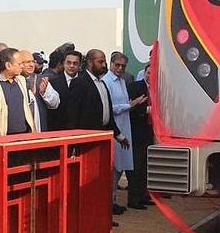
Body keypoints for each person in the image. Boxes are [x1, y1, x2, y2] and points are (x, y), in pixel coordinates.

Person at [66, 49, 129, 223]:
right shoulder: (80, 83)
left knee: (101, 183)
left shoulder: (101, 84)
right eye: (100, 62)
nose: (103, 65)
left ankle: (101, 218)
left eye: (103, 61)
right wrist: (74, 144)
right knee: (88, 184)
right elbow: (72, 115)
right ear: (90, 62)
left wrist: (119, 135)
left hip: (103, 140)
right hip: (87, 142)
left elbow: (106, 113)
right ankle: (88, 220)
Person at [103, 52, 147, 211]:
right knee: (113, 168)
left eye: (123, 66)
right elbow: (109, 108)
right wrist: (130, 105)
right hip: (114, 130)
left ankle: (113, 201)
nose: (120, 68)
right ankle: (109, 202)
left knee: (119, 168)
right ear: (111, 64)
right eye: (117, 65)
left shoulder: (122, 81)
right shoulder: (106, 81)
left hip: (124, 128)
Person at [127, 63, 155, 209]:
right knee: (136, 166)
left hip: (151, 131)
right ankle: (133, 198)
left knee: (146, 165)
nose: (150, 76)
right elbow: (130, 106)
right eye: (148, 73)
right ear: (144, 73)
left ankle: (144, 195)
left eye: (153, 73)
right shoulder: (135, 86)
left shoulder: (158, 88)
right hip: (137, 131)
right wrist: (147, 109)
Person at [19, 50, 59, 132]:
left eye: (33, 62)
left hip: (38, 132)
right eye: (27, 62)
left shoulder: (41, 80)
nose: (31, 65)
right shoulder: (13, 81)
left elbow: (55, 103)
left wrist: (44, 93)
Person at [48, 50, 82, 131]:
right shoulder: (53, 83)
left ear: (80, 65)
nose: (71, 66)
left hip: (80, 131)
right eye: (68, 62)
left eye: (75, 63)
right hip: (59, 130)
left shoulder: (85, 82)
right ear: (63, 63)